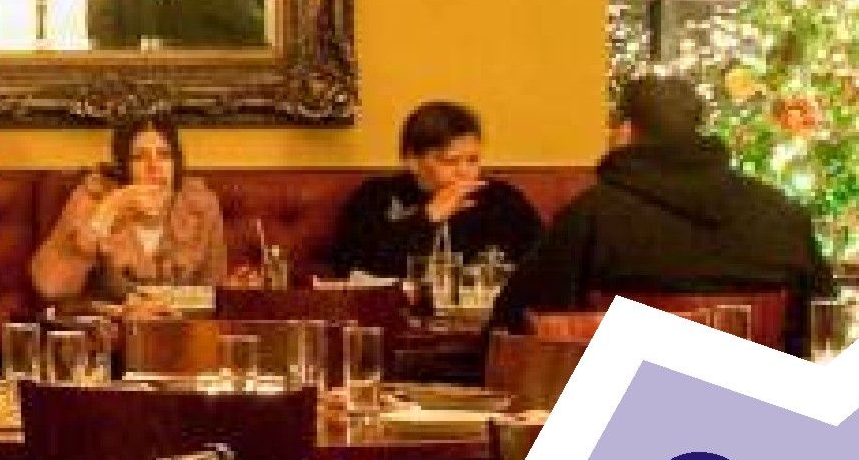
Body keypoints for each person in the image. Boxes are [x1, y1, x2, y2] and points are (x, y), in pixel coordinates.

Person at [505, 74, 832, 322]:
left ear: (626, 132)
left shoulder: (589, 218)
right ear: (699, 128)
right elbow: (821, 320)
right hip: (755, 392)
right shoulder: (783, 217)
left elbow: (516, 322)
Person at [320, 98, 525, 288]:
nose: (464, 171)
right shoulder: (376, 196)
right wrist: (428, 217)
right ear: (413, 161)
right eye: (450, 161)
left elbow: (536, 262)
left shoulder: (502, 199)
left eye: (472, 160)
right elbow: (353, 267)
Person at [28, 109, 230, 302]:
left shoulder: (201, 205)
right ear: (123, 166)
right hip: (110, 324)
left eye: (164, 155)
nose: (154, 166)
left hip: (182, 324)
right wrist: (109, 210)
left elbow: (215, 294)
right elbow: (50, 287)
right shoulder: (94, 198)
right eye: (139, 157)